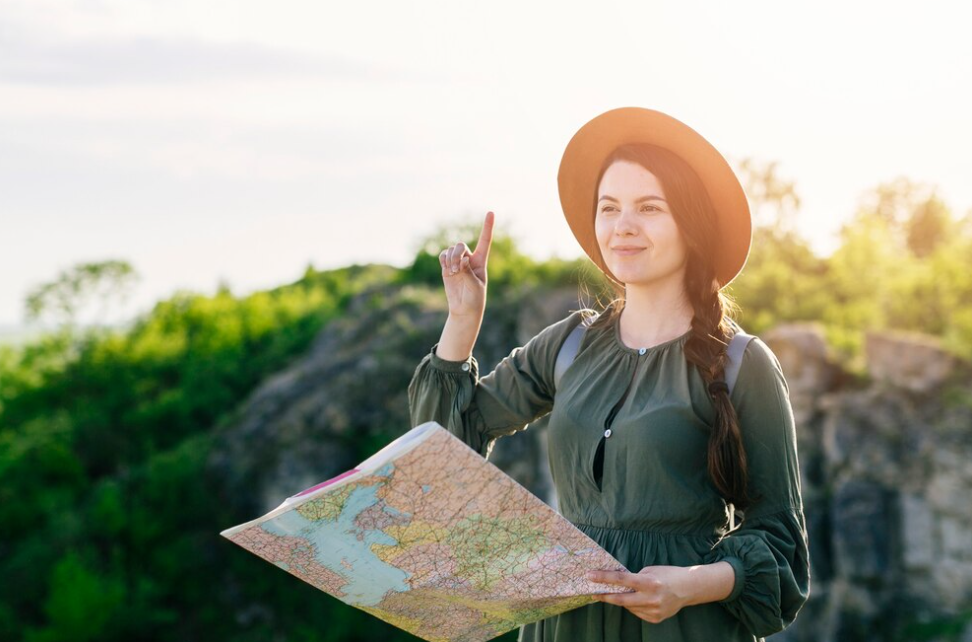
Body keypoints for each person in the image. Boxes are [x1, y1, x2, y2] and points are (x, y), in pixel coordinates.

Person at [407, 107, 810, 642]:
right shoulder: (569, 344)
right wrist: (462, 320)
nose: (622, 226)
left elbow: (782, 542)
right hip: (565, 624)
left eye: (649, 207)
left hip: (682, 627)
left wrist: (688, 586)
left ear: (691, 222)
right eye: (609, 207)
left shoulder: (742, 363)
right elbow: (440, 455)